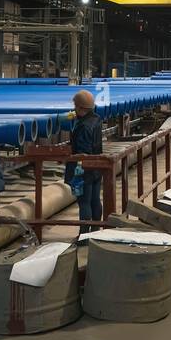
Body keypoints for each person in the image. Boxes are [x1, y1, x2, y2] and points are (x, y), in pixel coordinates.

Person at [65, 89, 104, 234]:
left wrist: (68, 156)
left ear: (81, 108)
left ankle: (84, 235)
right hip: (96, 167)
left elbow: (82, 151)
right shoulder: (96, 119)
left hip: (82, 169)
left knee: (84, 202)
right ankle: (95, 230)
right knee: (95, 199)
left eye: (75, 106)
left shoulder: (82, 126)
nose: (73, 109)